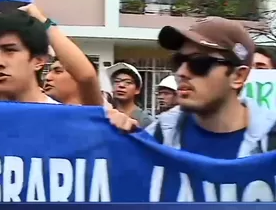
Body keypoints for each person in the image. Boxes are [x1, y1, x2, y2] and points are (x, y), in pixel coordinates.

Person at [108, 16, 276, 155]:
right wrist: (115, 137)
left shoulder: (270, 144)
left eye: (199, 62)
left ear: (238, 76)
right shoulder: (159, 137)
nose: (181, 72)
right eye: (179, 61)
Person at [0, 4, 102, 105]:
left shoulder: (60, 116)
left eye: (10, 50)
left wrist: (43, 21)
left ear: (38, 61)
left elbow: (87, 77)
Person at [107, 62, 153, 128]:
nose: (121, 85)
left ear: (137, 90)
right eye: (117, 81)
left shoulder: (145, 121)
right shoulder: (107, 115)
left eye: (128, 82)